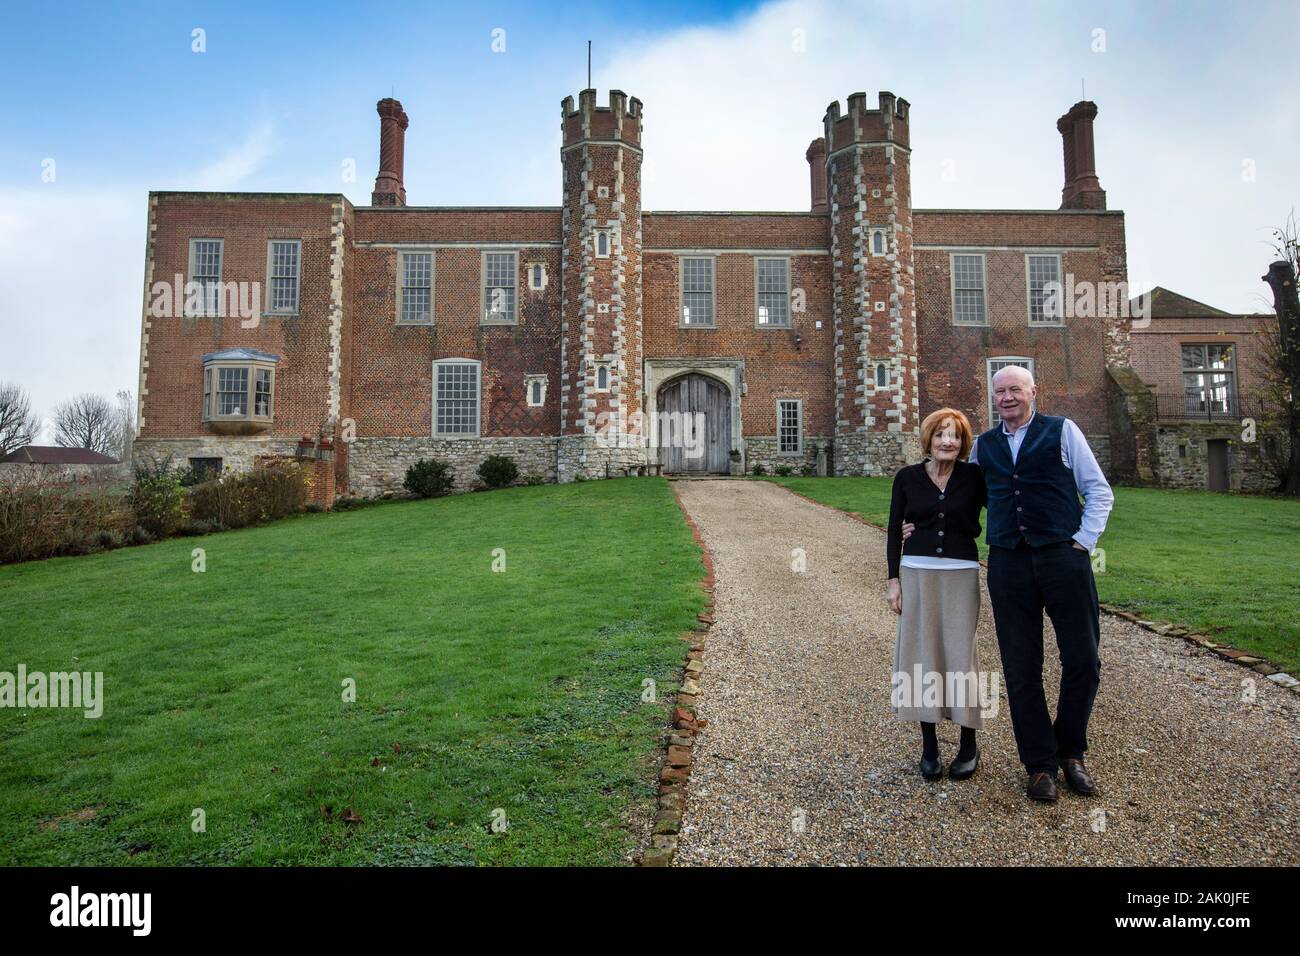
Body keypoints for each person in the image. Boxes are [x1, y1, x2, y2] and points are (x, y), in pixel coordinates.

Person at [971, 365, 1113, 803]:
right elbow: (964, 500)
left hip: (1061, 557)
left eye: (1015, 389)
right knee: (1020, 667)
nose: (1007, 397)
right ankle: (1039, 764)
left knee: (1083, 658)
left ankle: (1071, 753)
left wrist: (1082, 542)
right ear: (993, 397)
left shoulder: (1063, 431)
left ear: (1034, 391)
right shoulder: (983, 445)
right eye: (1000, 391)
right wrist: (914, 528)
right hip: (1009, 562)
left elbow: (1098, 491)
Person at [886, 408, 987, 782]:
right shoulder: (908, 478)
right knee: (922, 654)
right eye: (941, 434)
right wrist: (893, 579)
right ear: (928, 440)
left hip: (961, 574)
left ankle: (968, 743)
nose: (948, 441)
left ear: (963, 444)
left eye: (956, 436)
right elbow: (895, 526)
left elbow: (1004, 511)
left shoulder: (975, 477)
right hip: (917, 573)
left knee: (962, 657)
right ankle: (929, 746)